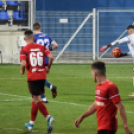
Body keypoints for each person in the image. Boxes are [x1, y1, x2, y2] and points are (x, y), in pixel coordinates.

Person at [75, 61, 133, 134]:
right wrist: (82, 116)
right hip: (102, 126)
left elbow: (120, 106)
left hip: (108, 127)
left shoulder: (110, 87)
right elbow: (96, 103)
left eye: (92, 73)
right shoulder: (99, 86)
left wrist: (125, 126)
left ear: (95, 73)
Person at [20, 30, 55, 133]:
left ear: (24, 39)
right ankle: (31, 123)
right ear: (34, 38)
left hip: (32, 77)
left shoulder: (24, 50)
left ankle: (48, 117)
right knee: (34, 99)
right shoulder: (42, 47)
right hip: (42, 77)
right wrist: (48, 67)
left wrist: (22, 70)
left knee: (36, 99)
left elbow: (23, 64)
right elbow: (51, 57)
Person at [100, 24, 134, 97]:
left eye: (128, 31)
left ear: (131, 30)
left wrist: (107, 46)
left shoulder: (130, 37)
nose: (128, 32)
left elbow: (118, 41)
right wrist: (123, 55)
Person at [33, 22, 58, 103]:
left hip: (38, 60)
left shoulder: (34, 37)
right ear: (40, 28)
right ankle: (50, 88)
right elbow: (56, 45)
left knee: (37, 79)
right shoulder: (47, 36)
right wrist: (49, 50)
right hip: (47, 59)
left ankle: (44, 97)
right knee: (41, 78)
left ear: (33, 29)